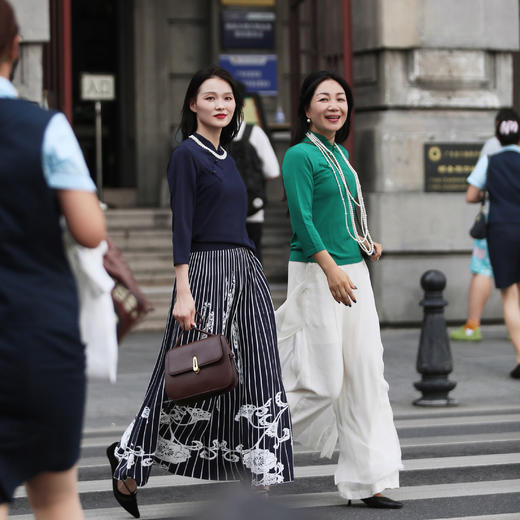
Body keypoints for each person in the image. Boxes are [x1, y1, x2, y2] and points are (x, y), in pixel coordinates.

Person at [106, 66, 294, 518]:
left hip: (245, 270)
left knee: (258, 367)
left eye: (227, 98)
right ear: (193, 104)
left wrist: (251, 274)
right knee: (185, 371)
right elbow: (182, 226)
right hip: (205, 272)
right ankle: (129, 459)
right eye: (210, 98)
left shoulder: (229, 155)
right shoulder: (186, 156)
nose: (221, 105)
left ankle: (259, 475)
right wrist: (183, 290)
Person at [276, 70, 403, 509]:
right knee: (322, 381)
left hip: (353, 273)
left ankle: (368, 482)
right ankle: (247, 434)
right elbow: (303, 220)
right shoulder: (299, 156)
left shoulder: (339, 154)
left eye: (341, 98)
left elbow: (343, 213)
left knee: (367, 375)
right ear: (307, 109)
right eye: (324, 98)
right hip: (318, 274)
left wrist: (365, 243)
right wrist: (330, 269)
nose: (335, 105)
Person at [0, 1, 106, 518]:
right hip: (38, 334)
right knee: (58, 495)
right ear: (15, 47)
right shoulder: (46, 128)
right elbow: (90, 231)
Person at [466, 108, 520, 378]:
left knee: (510, 294)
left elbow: (471, 195)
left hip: (502, 229)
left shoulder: (491, 160)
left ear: (498, 132)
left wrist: (494, 193)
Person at [450, 109, 508, 342]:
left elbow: (472, 193)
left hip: (496, 220)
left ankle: (472, 326)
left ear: (498, 125)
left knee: (483, 269)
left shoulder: (493, 147)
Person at [229, 83, 280, 263]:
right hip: (253, 209)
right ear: (244, 104)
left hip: (221, 213)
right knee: (253, 258)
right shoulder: (254, 133)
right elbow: (272, 171)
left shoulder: (212, 134)